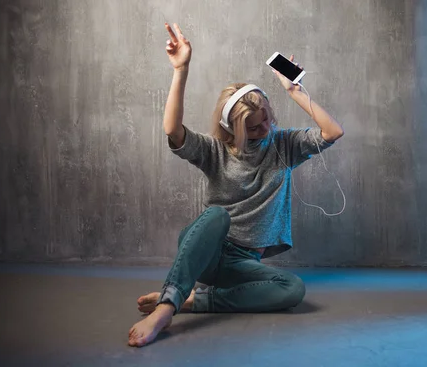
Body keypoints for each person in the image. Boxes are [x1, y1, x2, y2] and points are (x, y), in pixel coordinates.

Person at [128, 23, 344, 347]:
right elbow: (173, 130)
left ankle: (197, 302)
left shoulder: (284, 145)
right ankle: (166, 307)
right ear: (233, 128)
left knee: (293, 289)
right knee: (217, 216)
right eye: (255, 128)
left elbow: (332, 132)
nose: (266, 129)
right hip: (207, 250)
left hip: (243, 264)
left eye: (268, 118)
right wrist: (180, 69)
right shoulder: (214, 151)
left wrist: (295, 91)